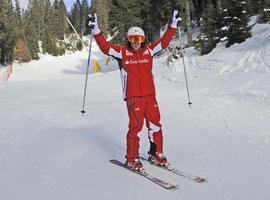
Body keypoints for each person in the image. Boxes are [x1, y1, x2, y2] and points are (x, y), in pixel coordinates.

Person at [88, 11, 181, 170]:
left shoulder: (149, 51)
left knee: (155, 125)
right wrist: (96, 30)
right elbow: (105, 47)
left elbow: (164, 43)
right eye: (132, 39)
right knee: (136, 127)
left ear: (143, 40)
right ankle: (132, 158)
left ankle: (156, 153)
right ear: (128, 40)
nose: (136, 42)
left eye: (139, 39)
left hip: (150, 96)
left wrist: (172, 26)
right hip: (133, 98)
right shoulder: (122, 53)